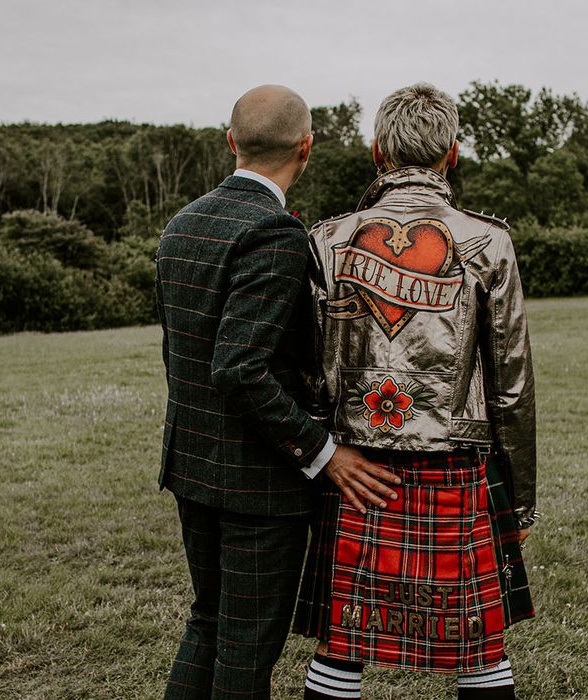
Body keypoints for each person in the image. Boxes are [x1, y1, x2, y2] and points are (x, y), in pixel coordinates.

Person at [293, 83, 538, 699]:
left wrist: (317, 458)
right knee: (476, 637)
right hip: (456, 462)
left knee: (343, 637)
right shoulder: (488, 241)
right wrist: (522, 500)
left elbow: (306, 371)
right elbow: (511, 386)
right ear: (452, 153)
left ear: (377, 151)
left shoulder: (327, 239)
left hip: (353, 465)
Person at [155, 84, 399, 700]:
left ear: (231, 140)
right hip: (259, 482)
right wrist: (324, 453)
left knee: (208, 621)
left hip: (193, 467)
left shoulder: (182, 224)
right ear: (307, 148)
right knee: (245, 649)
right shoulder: (275, 233)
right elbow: (238, 368)